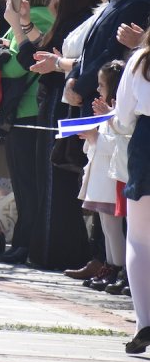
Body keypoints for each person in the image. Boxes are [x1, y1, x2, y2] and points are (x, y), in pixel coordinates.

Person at [20, 0, 99, 270]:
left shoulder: (80, 18)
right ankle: (48, 249)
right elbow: (39, 55)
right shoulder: (64, 17)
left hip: (62, 102)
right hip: (52, 101)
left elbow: (54, 62)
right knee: (48, 180)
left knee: (58, 181)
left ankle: (56, 252)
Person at [0, 0, 55, 264]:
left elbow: (15, 64)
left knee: (26, 184)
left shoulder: (39, 19)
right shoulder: (23, 18)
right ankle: (22, 242)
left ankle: (24, 244)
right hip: (23, 110)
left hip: (29, 111)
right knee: (24, 183)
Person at [65, 0, 150, 113]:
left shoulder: (137, 4)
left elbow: (111, 52)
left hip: (103, 100)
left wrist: (79, 87)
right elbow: (89, 51)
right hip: (89, 97)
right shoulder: (114, 3)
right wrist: (72, 78)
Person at [112, 30, 150, 354]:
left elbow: (123, 116)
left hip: (147, 141)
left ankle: (144, 321)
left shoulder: (140, 59)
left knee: (139, 239)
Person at [77, 61, 127, 291]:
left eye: (101, 85)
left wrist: (96, 136)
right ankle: (110, 264)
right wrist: (91, 137)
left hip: (110, 181)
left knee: (113, 227)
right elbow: (95, 149)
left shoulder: (118, 115)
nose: (98, 90)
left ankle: (119, 267)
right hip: (100, 181)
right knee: (107, 227)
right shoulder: (108, 114)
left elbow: (117, 146)